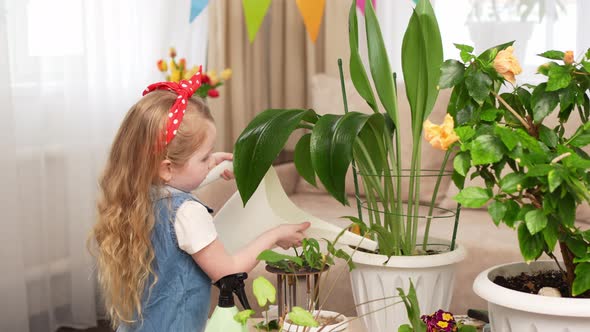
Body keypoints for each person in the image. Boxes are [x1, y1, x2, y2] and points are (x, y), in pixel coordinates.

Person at [90, 69, 310, 332]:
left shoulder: (137, 193)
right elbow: (227, 270)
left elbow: (172, 187)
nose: (210, 161)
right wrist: (273, 235)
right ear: (167, 167)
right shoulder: (189, 213)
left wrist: (211, 164)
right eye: (204, 157)